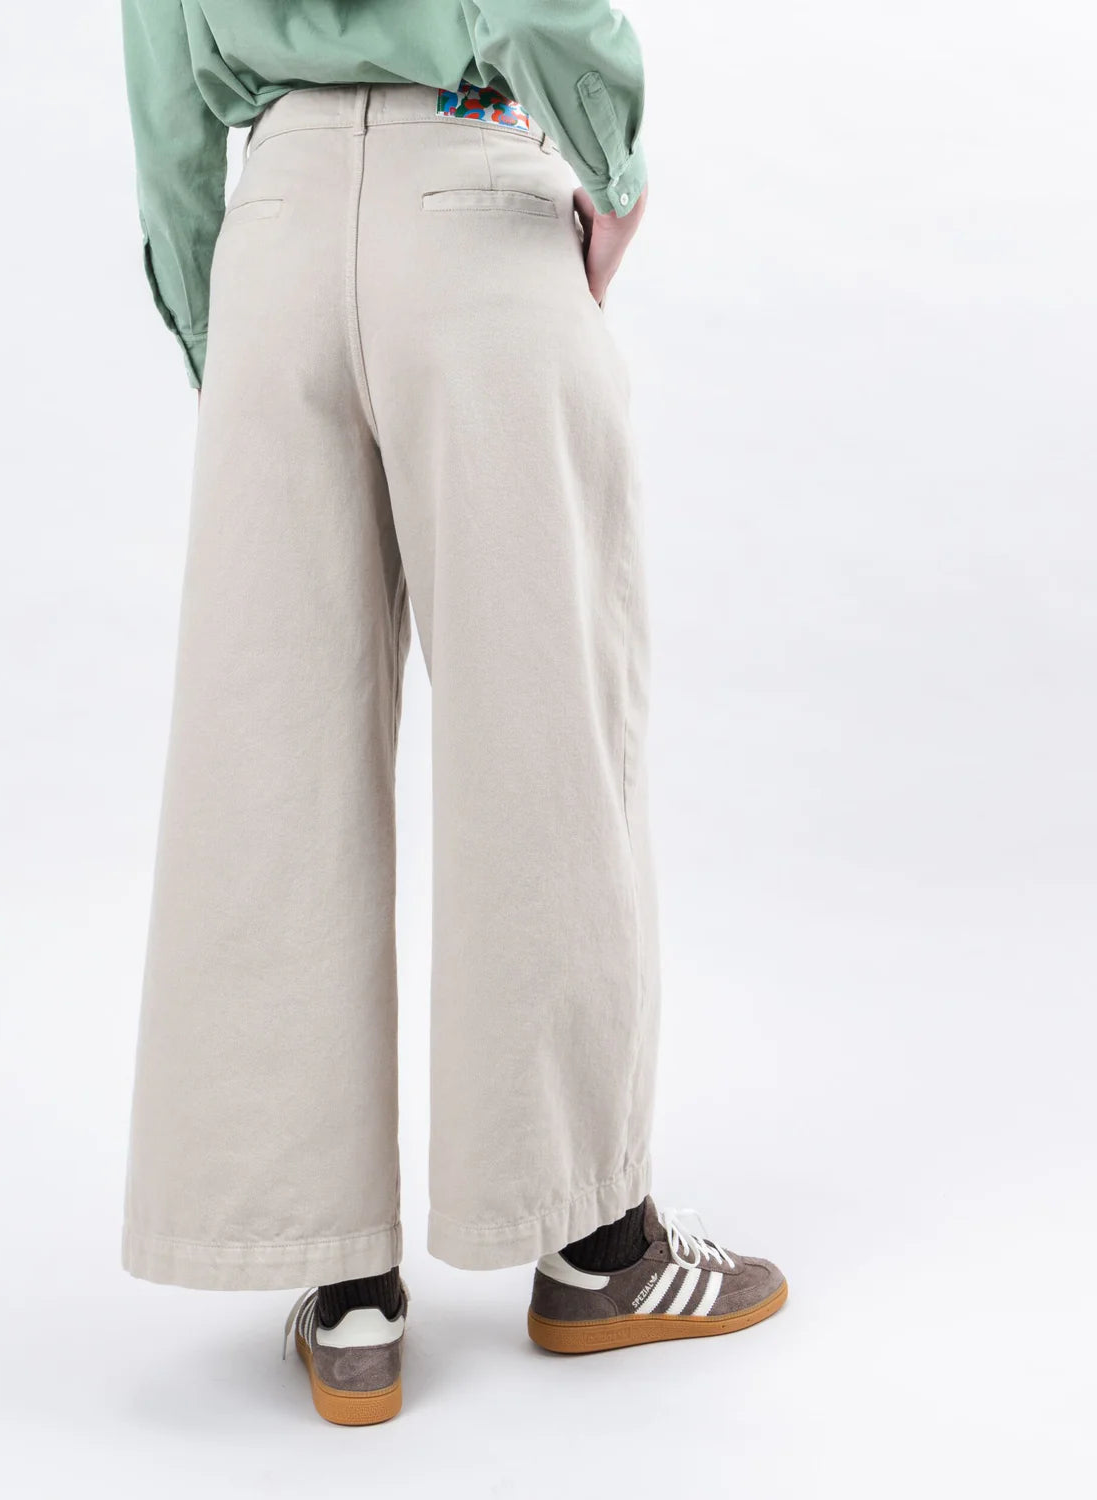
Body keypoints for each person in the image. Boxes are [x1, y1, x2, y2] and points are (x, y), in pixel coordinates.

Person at [120, 0, 786, 1426]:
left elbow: (162, 69)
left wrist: (217, 316)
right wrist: (612, 162)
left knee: (271, 759)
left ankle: (342, 1285)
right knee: (544, 736)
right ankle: (596, 1247)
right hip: (475, 191)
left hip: (276, 225)